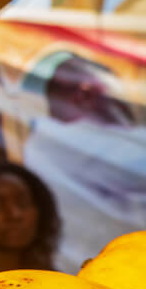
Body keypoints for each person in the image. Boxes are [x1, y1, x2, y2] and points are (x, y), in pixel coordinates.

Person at [22, 53, 146, 272]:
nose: (120, 106)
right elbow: (136, 167)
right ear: (86, 92)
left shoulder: (48, 142)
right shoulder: (61, 141)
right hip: (113, 270)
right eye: (113, 95)